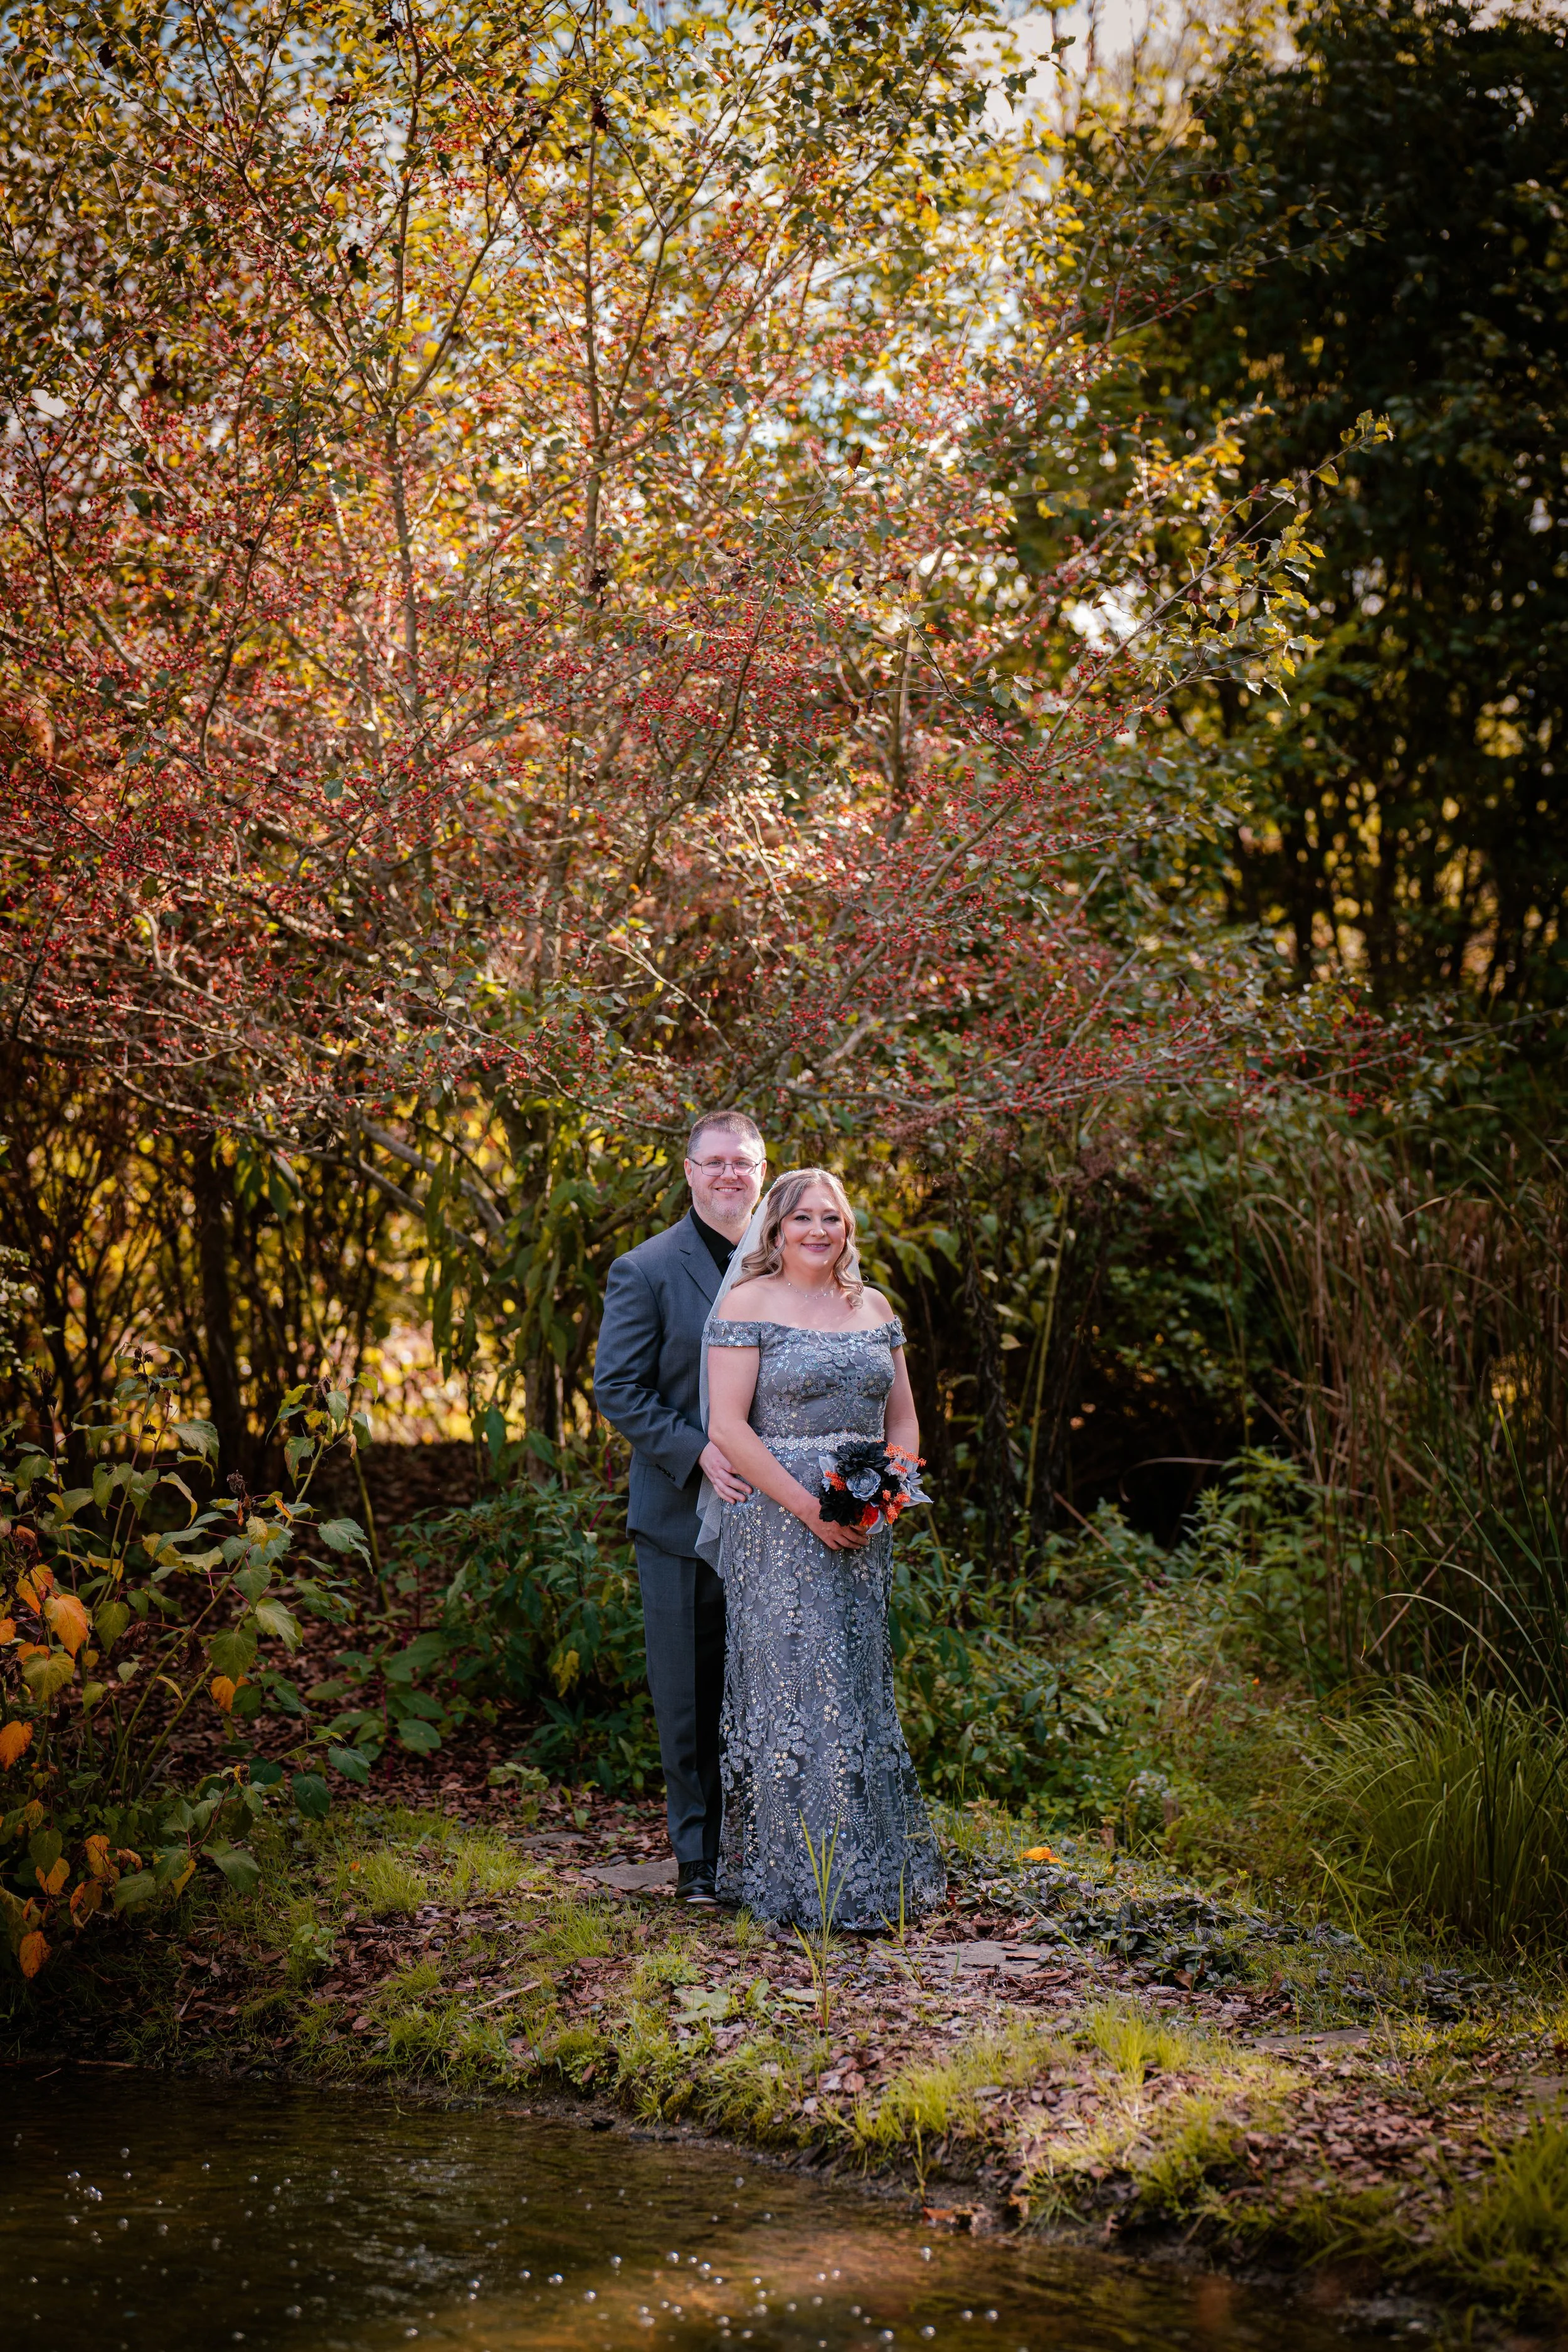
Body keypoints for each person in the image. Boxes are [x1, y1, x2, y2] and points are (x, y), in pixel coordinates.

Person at [701, 1167, 946, 1929]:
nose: (817, 1230)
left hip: (861, 1526)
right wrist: (810, 1507)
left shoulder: (872, 1306)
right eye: (801, 1217)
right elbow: (730, 1428)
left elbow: (903, 1418)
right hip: (780, 1523)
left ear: (847, 1228)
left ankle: (867, 1876)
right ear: (775, 1229)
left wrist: (890, 1493)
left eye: (831, 1218)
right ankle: (795, 1881)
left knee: (855, 1680)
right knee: (791, 1687)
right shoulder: (748, 1304)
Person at [593, 1111, 767, 1905]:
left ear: (762, 1172)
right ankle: (698, 1859)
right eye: (716, 1162)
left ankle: (763, 1846)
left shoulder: (789, 1260)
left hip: (779, 1514)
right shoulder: (647, 1268)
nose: (731, 1175)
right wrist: (699, 1451)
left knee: (768, 1680)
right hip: (679, 1514)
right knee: (690, 1688)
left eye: (745, 1162)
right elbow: (617, 1389)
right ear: (690, 1172)